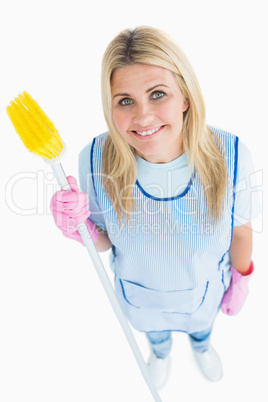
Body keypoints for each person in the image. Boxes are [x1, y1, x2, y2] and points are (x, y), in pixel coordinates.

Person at [50, 26, 260, 389]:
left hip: (203, 293)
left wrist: (242, 279)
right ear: (110, 106)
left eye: (158, 94)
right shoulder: (95, 160)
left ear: (185, 97)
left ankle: (202, 345)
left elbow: (240, 231)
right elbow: (105, 242)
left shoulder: (232, 156)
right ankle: (160, 352)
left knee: (201, 327)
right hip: (141, 296)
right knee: (154, 333)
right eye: (125, 100)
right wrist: (78, 228)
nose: (143, 116)